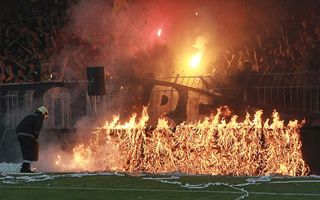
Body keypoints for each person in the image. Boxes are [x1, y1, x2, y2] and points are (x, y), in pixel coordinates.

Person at [16, 106, 48, 173]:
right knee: (32, 150)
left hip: (20, 135)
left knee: (27, 152)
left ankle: (25, 167)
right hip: (28, 136)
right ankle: (25, 168)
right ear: (44, 113)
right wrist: (36, 136)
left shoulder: (30, 116)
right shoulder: (39, 116)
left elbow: (18, 126)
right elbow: (37, 128)